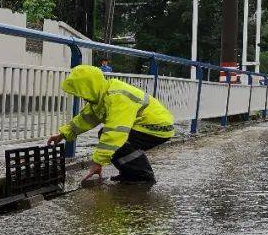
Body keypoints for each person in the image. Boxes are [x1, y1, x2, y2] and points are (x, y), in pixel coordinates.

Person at [47, 64, 175, 184]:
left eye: (82, 91)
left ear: (89, 87)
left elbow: (115, 132)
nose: (82, 97)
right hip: (146, 126)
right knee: (110, 139)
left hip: (158, 127)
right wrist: (63, 134)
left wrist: (98, 162)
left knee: (119, 142)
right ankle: (129, 173)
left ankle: (142, 177)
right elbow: (86, 118)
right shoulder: (102, 95)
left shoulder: (117, 96)